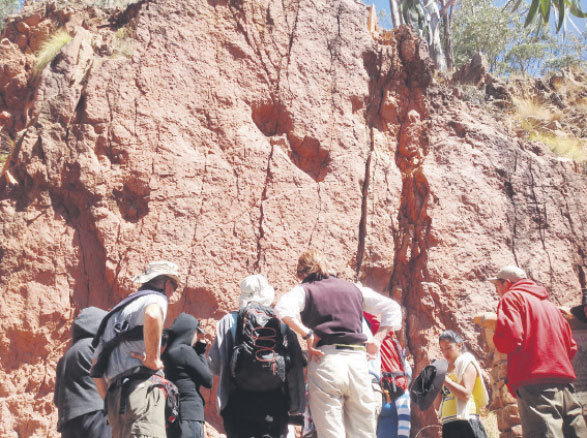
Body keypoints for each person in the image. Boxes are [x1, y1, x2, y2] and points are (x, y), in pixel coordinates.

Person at [275, 249, 402, 438]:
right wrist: (377, 339)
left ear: (303, 273)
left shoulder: (305, 289)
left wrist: (307, 333)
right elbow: (391, 307)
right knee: (364, 432)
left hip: (326, 360)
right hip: (359, 362)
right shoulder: (354, 288)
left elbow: (282, 309)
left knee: (331, 432)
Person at [489, 265, 587, 437]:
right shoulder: (550, 306)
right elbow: (570, 347)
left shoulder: (511, 297)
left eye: (497, 285)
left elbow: (510, 339)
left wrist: (497, 340)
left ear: (506, 283)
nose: (497, 290)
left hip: (534, 382)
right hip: (565, 383)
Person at [91, 260, 180, 438]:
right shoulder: (156, 298)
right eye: (174, 288)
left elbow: (95, 366)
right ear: (167, 284)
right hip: (141, 390)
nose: (172, 294)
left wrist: (108, 401)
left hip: (116, 399)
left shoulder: (115, 313)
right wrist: (153, 360)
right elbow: (152, 315)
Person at [209, 274, 305, 438]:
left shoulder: (229, 321)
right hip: (275, 402)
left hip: (238, 401)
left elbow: (215, 364)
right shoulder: (281, 322)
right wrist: (296, 404)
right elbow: (295, 363)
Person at [54, 307, 112, 438]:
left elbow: (57, 400)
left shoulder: (65, 356)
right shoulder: (97, 347)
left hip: (68, 422)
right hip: (97, 416)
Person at [162, 313, 213, 438]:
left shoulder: (167, 352)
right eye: (196, 333)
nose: (196, 338)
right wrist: (201, 352)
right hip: (190, 414)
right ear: (189, 331)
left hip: (174, 415)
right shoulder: (185, 351)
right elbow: (208, 380)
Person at [437, 330, 488, 438]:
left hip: (466, 422)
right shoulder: (444, 370)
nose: (445, 353)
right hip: (448, 424)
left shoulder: (467, 362)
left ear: (459, 345)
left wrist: (445, 380)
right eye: (442, 349)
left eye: (448, 347)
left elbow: (465, 395)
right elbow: (437, 405)